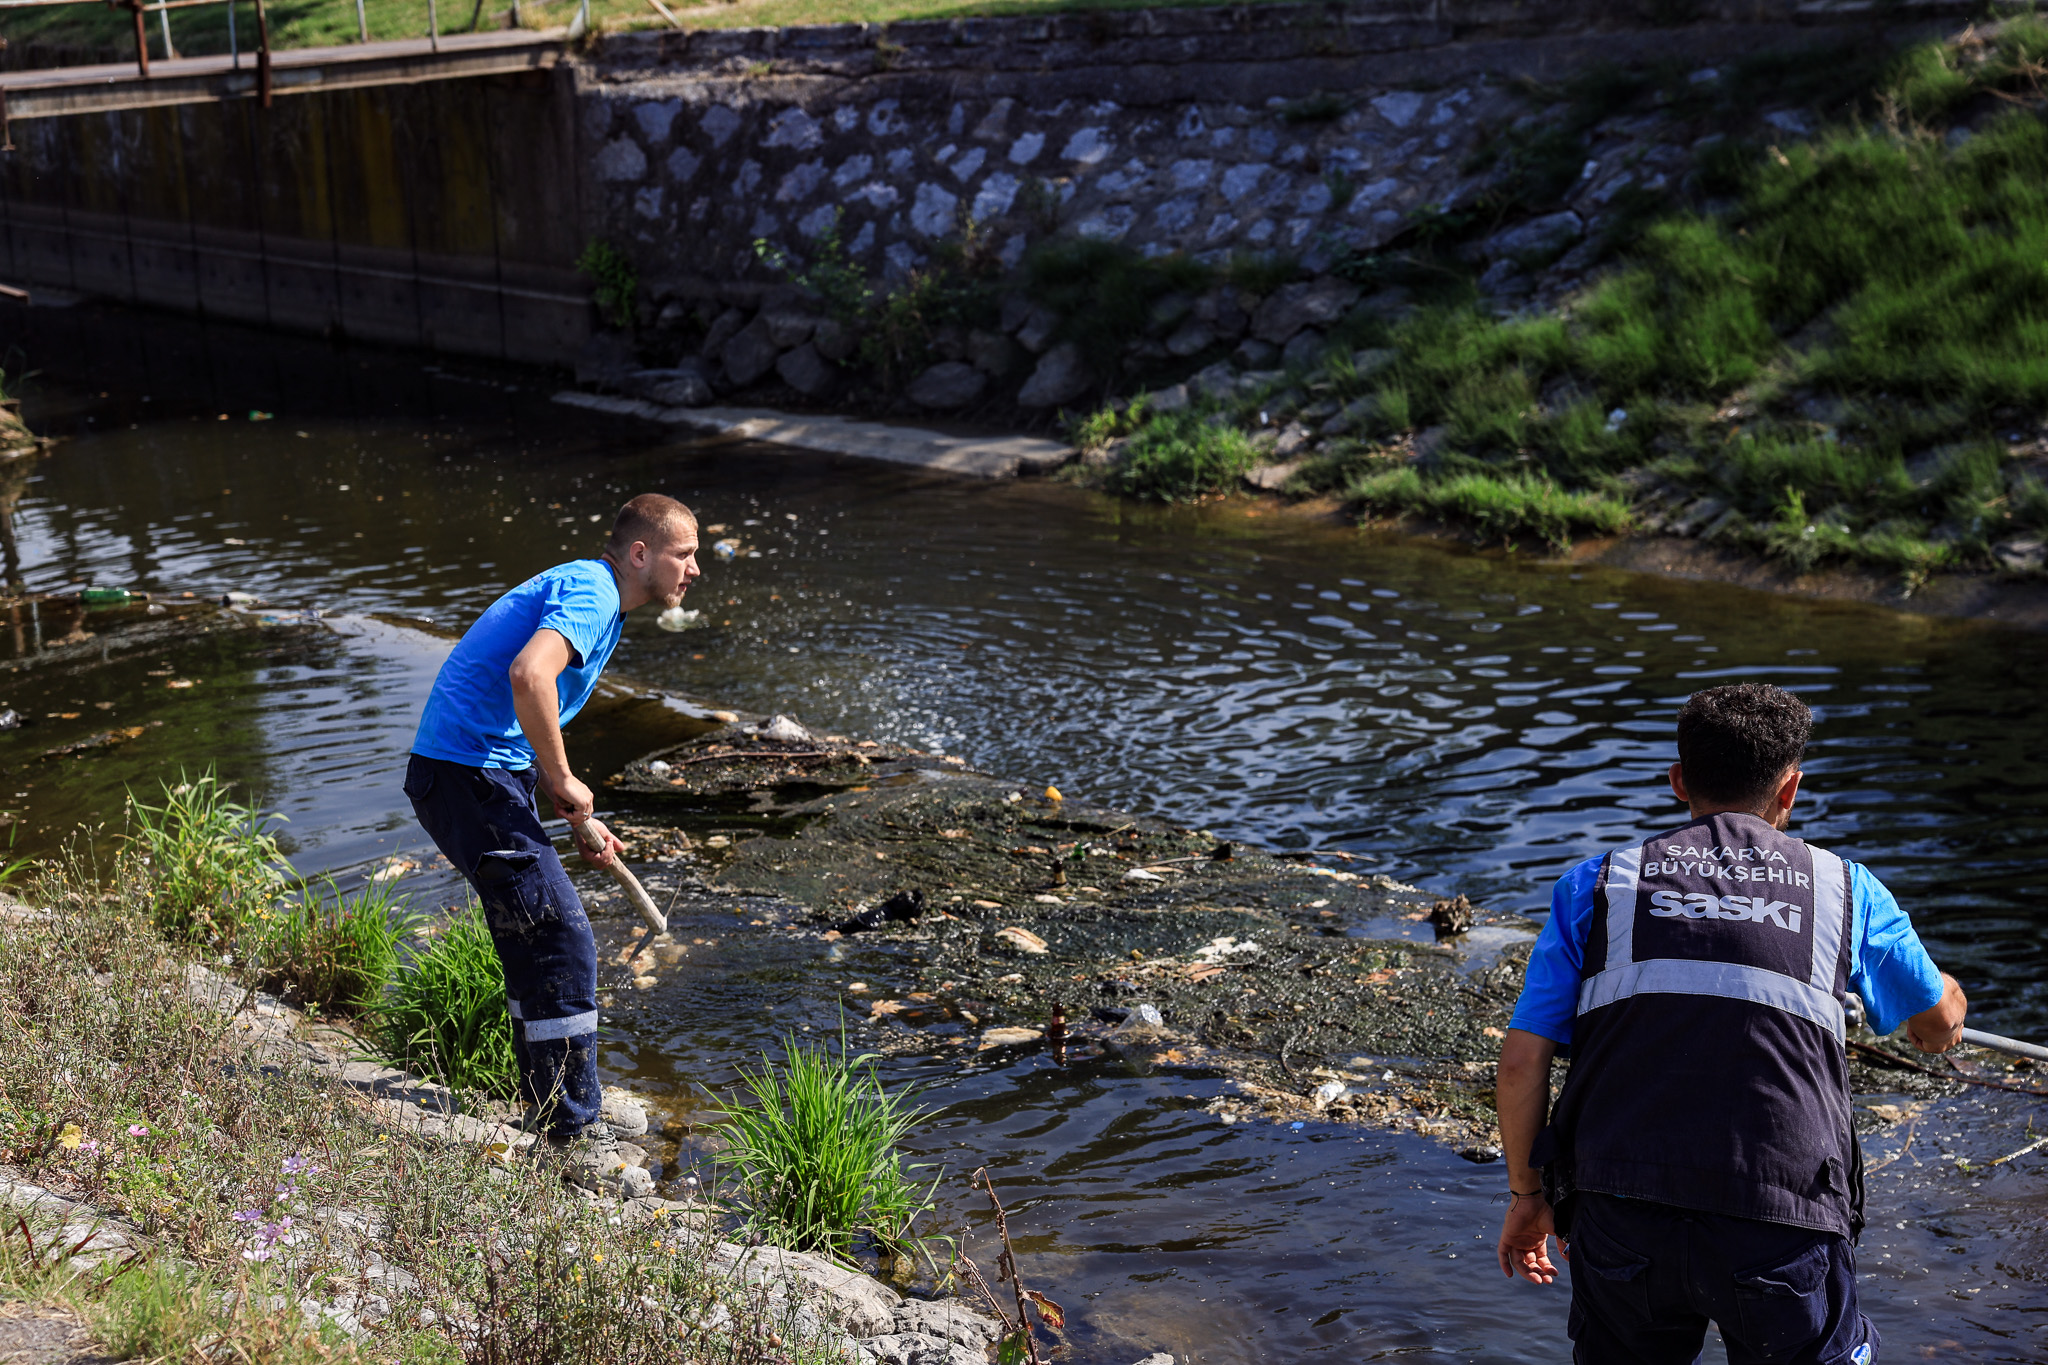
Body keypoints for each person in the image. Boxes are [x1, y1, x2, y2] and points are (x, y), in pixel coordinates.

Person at [1495, 682, 1967, 1365]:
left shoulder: (1596, 885)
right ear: (1790, 788)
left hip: (1622, 1212)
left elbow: (1519, 1063)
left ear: (1679, 781)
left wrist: (1526, 1194)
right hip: (1782, 1218)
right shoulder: (1845, 888)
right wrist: (1944, 1011)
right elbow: (1937, 1018)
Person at [403, 493, 701, 1191]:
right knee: (560, 937)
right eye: (684, 555)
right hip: (464, 774)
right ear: (640, 554)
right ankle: (571, 1136)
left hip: (476, 773)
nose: (694, 571)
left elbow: (520, 714)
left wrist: (569, 808)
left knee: (533, 938)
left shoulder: (598, 596)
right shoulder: (595, 591)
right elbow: (528, 675)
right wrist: (564, 777)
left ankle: (557, 1105)